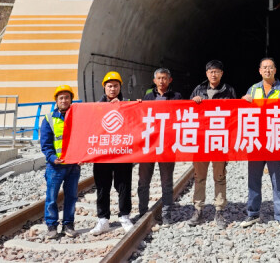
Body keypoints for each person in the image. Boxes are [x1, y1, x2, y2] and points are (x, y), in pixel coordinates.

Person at [240, 57, 280, 231]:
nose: (267, 70)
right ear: (260, 71)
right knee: (253, 179)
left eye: (270, 67)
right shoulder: (253, 89)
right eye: (264, 67)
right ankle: (253, 213)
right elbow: (244, 112)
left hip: (275, 140)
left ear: (275, 70)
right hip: (256, 141)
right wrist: (243, 100)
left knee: (278, 180)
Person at [188, 60, 237, 229]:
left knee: (220, 177)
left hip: (219, 140)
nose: (213, 74)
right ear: (206, 73)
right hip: (201, 140)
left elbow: (234, 114)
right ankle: (198, 209)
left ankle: (219, 210)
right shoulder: (198, 89)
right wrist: (193, 101)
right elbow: (188, 112)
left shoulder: (228, 90)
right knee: (199, 177)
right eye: (211, 71)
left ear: (221, 73)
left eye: (216, 71)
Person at [91, 71, 135, 235]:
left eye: (116, 86)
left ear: (120, 87)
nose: (112, 89)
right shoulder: (96, 107)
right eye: (109, 86)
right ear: (104, 87)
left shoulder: (128, 105)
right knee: (102, 186)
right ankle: (103, 219)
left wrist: (127, 105)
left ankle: (124, 216)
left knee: (124, 185)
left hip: (122, 152)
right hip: (102, 153)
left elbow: (136, 121)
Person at [138, 68, 182, 226]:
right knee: (143, 181)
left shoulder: (176, 97)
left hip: (167, 145)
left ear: (170, 80)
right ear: (154, 80)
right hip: (149, 145)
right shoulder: (148, 97)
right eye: (159, 78)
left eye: (164, 78)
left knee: (167, 182)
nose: (161, 81)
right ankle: (142, 212)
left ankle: (167, 214)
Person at [40, 84, 81, 238]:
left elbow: (83, 139)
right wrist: (52, 158)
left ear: (71, 100)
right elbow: (45, 144)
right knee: (51, 198)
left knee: (71, 197)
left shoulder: (78, 117)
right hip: (55, 166)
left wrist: (82, 156)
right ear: (56, 100)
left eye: (67, 98)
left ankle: (68, 225)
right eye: (61, 98)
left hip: (73, 166)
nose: (64, 100)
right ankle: (51, 226)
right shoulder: (49, 119)